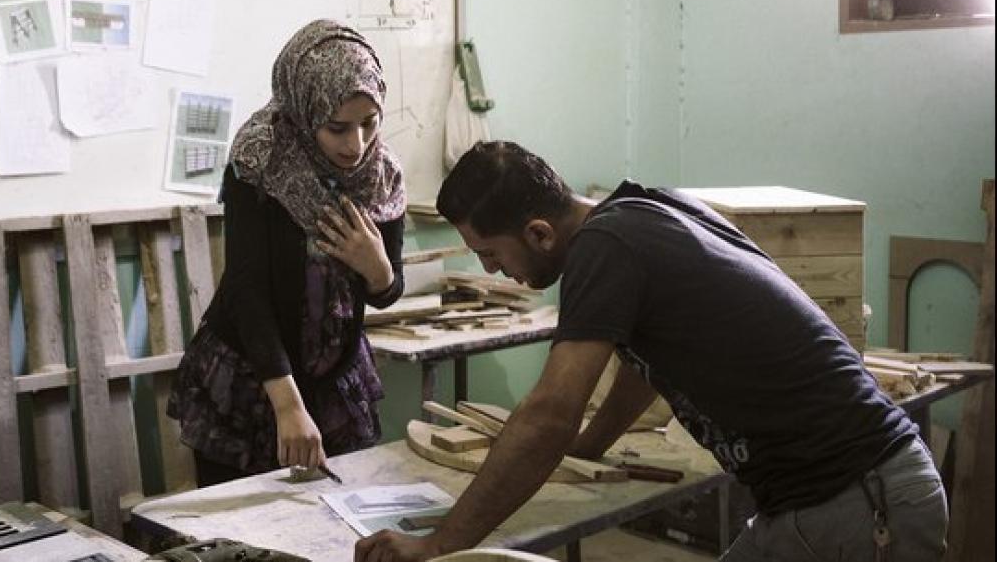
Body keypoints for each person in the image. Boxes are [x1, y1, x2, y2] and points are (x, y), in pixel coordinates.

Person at [356, 140, 946, 562]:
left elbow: (550, 414)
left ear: (539, 233)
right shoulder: (644, 210)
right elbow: (651, 363)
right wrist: (594, 444)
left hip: (859, 498)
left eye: (490, 253)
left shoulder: (603, 248)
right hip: (837, 493)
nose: (491, 271)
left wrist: (440, 545)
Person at [167, 19, 406, 487]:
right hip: (255, 380)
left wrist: (377, 271)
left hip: (335, 387)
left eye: (369, 123)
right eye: (337, 128)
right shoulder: (260, 159)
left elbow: (386, 291)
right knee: (240, 523)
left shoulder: (382, 174)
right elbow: (246, 291)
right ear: (305, 109)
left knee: (336, 520)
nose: (356, 145)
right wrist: (288, 405)